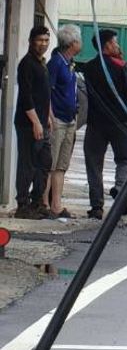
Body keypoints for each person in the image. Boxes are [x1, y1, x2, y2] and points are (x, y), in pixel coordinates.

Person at [79, 28, 127, 221]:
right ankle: (120, 189)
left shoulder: (88, 68)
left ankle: (96, 206)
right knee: (126, 160)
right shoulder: (121, 66)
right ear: (108, 45)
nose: (117, 45)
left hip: (95, 123)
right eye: (115, 42)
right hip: (120, 122)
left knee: (94, 163)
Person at [12, 26, 53, 218]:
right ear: (31, 41)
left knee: (44, 162)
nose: (43, 44)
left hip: (42, 122)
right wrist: (36, 122)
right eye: (39, 40)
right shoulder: (26, 64)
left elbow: (43, 94)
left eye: (46, 40)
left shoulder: (42, 63)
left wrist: (47, 117)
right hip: (27, 124)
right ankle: (22, 205)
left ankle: (37, 202)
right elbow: (26, 97)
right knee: (27, 164)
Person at [45, 25, 83, 219]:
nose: (81, 43)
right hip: (57, 119)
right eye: (79, 40)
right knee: (50, 164)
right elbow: (47, 92)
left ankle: (56, 204)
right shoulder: (56, 63)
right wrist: (49, 116)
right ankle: (44, 203)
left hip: (70, 119)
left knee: (61, 165)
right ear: (72, 43)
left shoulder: (70, 64)